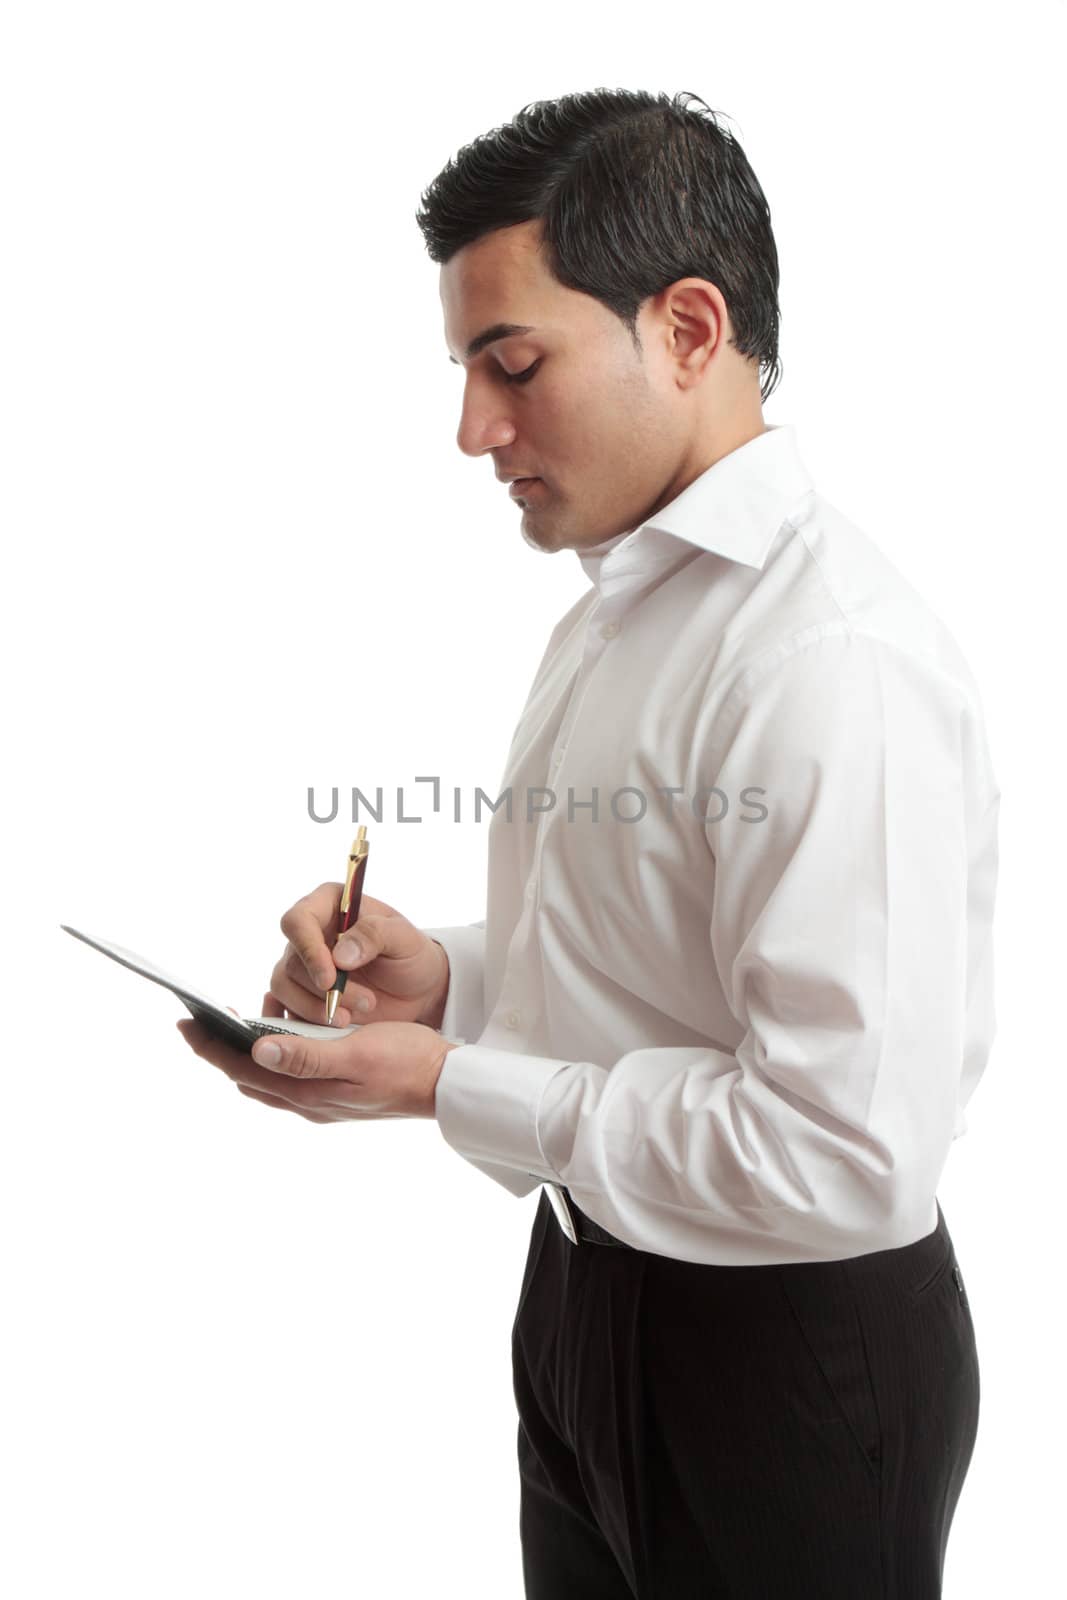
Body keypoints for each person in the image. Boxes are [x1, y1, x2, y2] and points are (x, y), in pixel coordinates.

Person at [177, 88, 999, 1598]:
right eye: (468, 372)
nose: (474, 430)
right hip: (585, 1293)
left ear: (688, 328)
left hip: (783, 1363)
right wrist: (453, 989)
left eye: (513, 365)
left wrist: (456, 1089)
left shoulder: (834, 659)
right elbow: (666, 949)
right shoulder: (625, 605)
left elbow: (846, 1154)